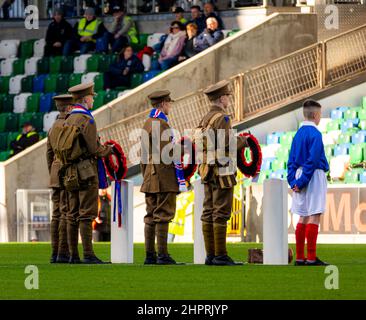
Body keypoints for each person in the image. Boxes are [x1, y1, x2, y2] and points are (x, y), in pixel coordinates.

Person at [60, 82, 112, 264]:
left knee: (72, 213)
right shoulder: (86, 119)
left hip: (70, 172)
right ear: (85, 98)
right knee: (87, 213)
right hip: (87, 171)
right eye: (91, 97)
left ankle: (73, 255)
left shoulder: (68, 119)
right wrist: (108, 150)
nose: (93, 99)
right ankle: (88, 253)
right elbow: (94, 148)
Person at [198, 80, 248, 266]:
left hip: (207, 169)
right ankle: (221, 255)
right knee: (220, 212)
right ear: (222, 98)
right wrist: (244, 141)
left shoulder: (205, 118)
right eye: (227, 96)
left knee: (209, 211)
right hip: (221, 170)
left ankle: (210, 255)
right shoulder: (223, 118)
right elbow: (226, 142)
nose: (229, 99)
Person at [140, 90, 184, 265]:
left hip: (150, 175)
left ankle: (150, 255)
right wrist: (185, 150)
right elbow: (169, 153)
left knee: (150, 216)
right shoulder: (162, 124)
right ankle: (163, 255)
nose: (170, 106)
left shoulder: (147, 123)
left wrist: (146, 176)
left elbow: (143, 157)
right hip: (163, 176)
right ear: (164, 104)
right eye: (169, 103)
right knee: (163, 214)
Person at [287, 100, 330, 266]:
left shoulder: (297, 134)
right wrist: (304, 181)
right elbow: (312, 161)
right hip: (313, 176)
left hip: (298, 174)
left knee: (303, 216)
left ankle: (299, 257)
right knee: (314, 214)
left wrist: (294, 181)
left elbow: (290, 160)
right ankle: (311, 257)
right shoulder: (316, 134)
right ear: (316, 115)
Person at [46, 94, 74, 264]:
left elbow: (49, 154)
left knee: (56, 214)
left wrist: (53, 172)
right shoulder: (69, 125)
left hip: (55, 173)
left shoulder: (53, 127)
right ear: (70, 108)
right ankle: (63, 252)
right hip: (67, 172)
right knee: (66, 212)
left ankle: (54, 252)